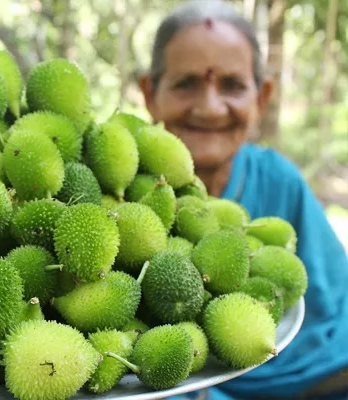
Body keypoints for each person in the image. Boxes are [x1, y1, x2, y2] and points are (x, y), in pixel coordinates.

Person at [137, 1, 348, 399]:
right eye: (186, 83)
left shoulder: (280, 181)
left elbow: (337, 314)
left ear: (262, 96)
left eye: (232, 85)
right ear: (150, 93)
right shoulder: (126, 197)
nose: (211, 107)